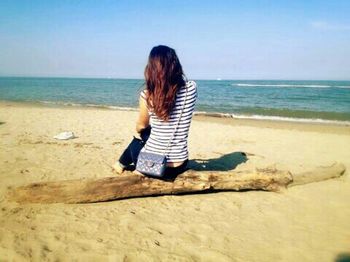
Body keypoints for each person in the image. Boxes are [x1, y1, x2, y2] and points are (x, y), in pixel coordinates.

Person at [113, 45, 197, 177]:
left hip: (152, 166)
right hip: (180, 165)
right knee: (151, 134)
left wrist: (147, 130)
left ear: (151, 69)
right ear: (176, 65)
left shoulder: (147, 95)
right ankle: (120, 164)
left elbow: (140, 126)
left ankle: (120, 164)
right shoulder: (191, 89)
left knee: (136, 143)